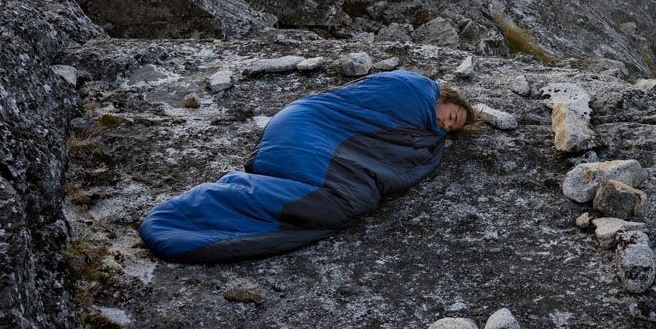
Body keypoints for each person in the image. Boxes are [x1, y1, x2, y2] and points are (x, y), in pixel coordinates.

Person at [141, 70, 477, 263]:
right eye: (449, 118)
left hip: (308, 133)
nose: (444, 128)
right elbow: (374, 126)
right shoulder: (411, 90)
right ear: (445, 98)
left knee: (350, 199)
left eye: (450, 130)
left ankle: (239, 194)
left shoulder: (422, 114)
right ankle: (217, 197)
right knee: (343, 201)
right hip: (305, 127)